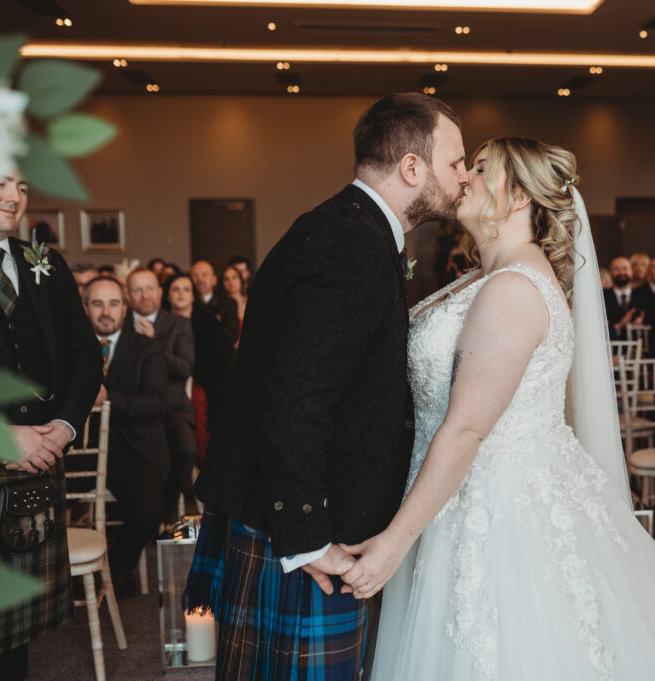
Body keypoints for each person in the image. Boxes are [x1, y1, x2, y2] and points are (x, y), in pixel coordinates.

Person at [341, 138, 655, 681]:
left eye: (480, 169)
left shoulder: (512, 289)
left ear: (520, 196)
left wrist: (394, 541)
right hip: (461, 493)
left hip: (493, 502)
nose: (462, 177)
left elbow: (468, 427)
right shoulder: (489, 276)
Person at [187, 92, 469, 681]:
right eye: (456, 162)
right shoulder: (355, 244)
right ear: (412, 167)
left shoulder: (348, 226)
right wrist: (308, 537)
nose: (463, 177)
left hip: (300, 508)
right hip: (307, 525)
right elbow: (296, 400)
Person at [0, 173, 102, 680]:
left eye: (22, 186)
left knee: (12, 637)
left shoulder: (46, 264)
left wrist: (62, 427)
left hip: (33, 477)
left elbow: (85, 354)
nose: (13, 197)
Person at [83, 276, 169, 596]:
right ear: (85, 308)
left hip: (135, 447)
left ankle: (116, 568)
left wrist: (110, 399)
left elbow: (156, 402)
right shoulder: (71, 348)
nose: (106, 312)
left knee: (149, 513)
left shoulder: (147, 348)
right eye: (97, 303)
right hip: (84, 447)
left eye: (114, 304)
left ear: (125, 308)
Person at [126, 268, 196, 525]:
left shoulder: (178, 324)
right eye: (137, 289)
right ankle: (142, 514)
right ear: (127, 294)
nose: (145, 296)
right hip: (134, 407)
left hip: (172, 407)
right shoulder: (120, 323)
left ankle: (167, 512)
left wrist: (155, 342)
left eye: (150, 289)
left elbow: (185, 368)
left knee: (186, 449)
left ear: (160, 292)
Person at [163, 273, 233, 465]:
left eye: (186, 289)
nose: (181, 294)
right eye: (175, 290)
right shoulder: (160, 322)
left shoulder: (208, 323)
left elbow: (221, 359)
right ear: (167, 295)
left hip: (206, 381)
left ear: (194, 295)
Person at [190, 259, 239, 347]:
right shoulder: (187, 305)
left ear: (214, 280)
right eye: (195, 276)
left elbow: (231, 336)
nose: (200, 279)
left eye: (204, 275)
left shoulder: (228, 304)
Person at [602, 256, 640, 341]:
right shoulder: (602, 296)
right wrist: (621, 323)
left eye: (625, 269)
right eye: (617, 269)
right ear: (610, 272)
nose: (621, 272)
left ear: (631, 271)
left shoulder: (642, 295)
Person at [220, 265, 247, 344]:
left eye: (234, 277)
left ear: (240, 279)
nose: (231, 282)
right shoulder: (220, 305)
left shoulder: (251, 301)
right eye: (226, 279)